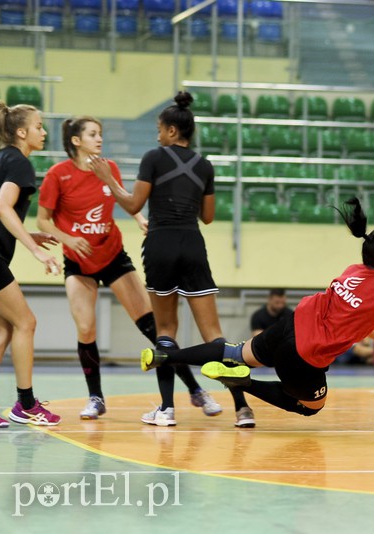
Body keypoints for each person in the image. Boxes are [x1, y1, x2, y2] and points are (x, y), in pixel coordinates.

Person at [138, 197, 374, 421]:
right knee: (312, 406)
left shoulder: (354, 271)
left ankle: (166, 357)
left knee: (234, 351)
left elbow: (353, 313)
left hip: (291, 324)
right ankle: (243, 382)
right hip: (305, 353)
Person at [37, 115, 223, 420]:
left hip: (113, 256)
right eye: (93, 134)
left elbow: (127, 199)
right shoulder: (58, 174)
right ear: (76, 140)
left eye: (100, 133)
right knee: (86, 328)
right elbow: (43, 220)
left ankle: (195, 390)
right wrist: (68, 239)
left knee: (155, 327)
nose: (99, 138)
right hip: (78, 262)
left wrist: (139, 219)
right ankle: (96, 397)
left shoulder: (108, 168)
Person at [92, 92, 254, 428]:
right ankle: (242, 409)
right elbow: (208, 217)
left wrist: (109, 180)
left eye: (158, 130)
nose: (156, 136)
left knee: (165, 330)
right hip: (192, 243)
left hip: (160, 244)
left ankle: (166, 410)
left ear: (170, 131)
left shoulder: (154, 157)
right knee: (214, 334)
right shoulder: (205, 165)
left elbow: (133, 205)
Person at [0, 101, 62, 427]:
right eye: (38, 126)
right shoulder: (19, 162)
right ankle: (26, 404)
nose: (43, 132)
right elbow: (2, 207)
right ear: (21, 132)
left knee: (3, 328)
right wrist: (35, 250)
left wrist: (28, 234)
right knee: (26, 322)